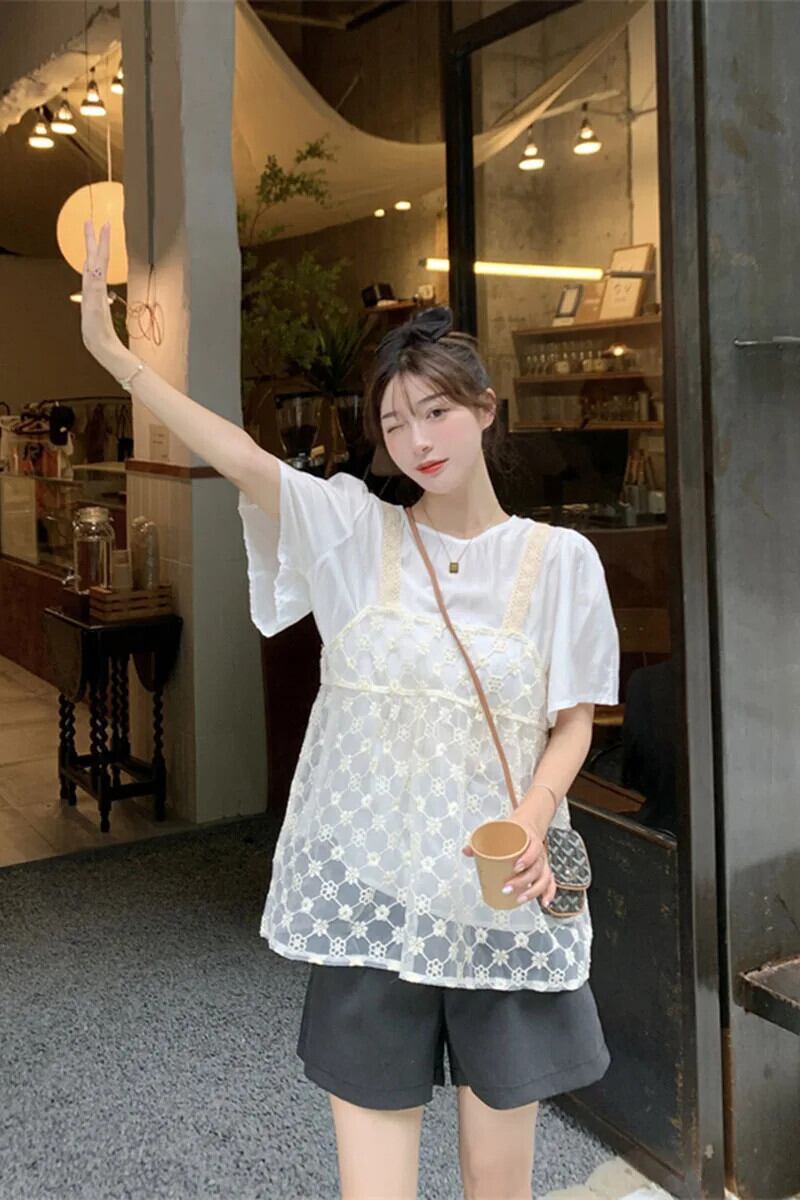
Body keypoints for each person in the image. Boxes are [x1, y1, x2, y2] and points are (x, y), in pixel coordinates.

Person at [81, 221, 620, 1200]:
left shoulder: (559, 562)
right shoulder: (351, 534)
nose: (417, 441)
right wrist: (118, 360)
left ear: (485, 410)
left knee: (500, 1186)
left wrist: (535, 816)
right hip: (375, 901)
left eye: (436, 412)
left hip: (499, 901)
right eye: (395, 423)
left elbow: (572, 719)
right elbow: (238, 453)